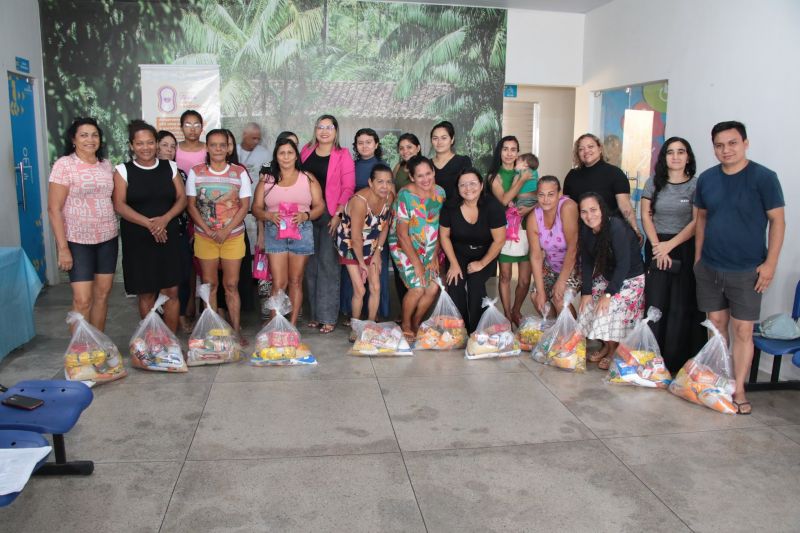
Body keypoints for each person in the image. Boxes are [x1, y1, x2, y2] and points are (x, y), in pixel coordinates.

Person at [694, 121, 785, 415]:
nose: (726, 150)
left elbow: (778, 222)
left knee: (743, 330)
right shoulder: (707, 179)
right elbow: (702, 220)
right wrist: (698, 259)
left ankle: (740, 389)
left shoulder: (764, 178)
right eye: (719, 145)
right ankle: (719, 381)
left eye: (732, 143)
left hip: (747, 270)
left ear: (745, 143)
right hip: (710, 266)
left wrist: (770, 264)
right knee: (717, 326)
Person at [112, 120, 186, 332]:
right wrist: (149, 224)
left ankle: (170, 343)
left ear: (156, 143)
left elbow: (181, 199)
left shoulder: (169, 167)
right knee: (146, 293)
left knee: (171, 291)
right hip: (138, 239)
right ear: (131, 145)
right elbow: (119, 204)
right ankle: (152, 343)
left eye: (150, 142)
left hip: (168, 235)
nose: (146, 147)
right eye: (140, 143)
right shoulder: (122, 171)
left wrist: (164, 219)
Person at [640, 137, 706, 373]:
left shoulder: (697, 185)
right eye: (670, 152)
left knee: (681, 303)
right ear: (664, 157)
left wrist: (670, 246)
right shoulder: (653, 183)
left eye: (681, 152)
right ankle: (652, 362)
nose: (675, 156)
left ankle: (678, 363)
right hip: (656, 246)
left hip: (684, 247)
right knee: (655, 302)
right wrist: (658, 246)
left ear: (688, 156)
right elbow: (646, 215)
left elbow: (696, 221)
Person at [47, 117, 117, 331]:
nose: (90, 139)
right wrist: (63, 248)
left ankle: (97, 349)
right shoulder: (64, 165)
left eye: (95, 135)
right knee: (82, 300)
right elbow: (54, 209)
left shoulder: (106, 165)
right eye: (84, 135)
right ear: (73, 139)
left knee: (102, 296)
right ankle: (78, 353)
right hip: (77, 241)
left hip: (108, 238)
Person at [186, 129, 252, 343]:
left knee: (231, 285)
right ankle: (214, 333)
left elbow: (244, 206)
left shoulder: (238, 172)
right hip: (205, 237)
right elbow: (191, 206)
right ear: (207, 147)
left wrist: (225, 230)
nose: (217, 149)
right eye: (213, 145)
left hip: (232, 236)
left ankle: (235, 329)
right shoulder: (196, 172)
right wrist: (208, 230)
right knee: (209, 285)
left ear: (228, 147)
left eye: (222, 145)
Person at [252, 138, 325, 325]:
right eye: (281, 153)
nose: (286, 157)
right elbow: (256, 208)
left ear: (296, 156)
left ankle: (292, 325)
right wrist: (269, 216)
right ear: (276, 156)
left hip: (301, 231)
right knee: (278, 282)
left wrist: (305, 216)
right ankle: (275, 323)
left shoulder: (308, 178)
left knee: (295, 280)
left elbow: (320, 207)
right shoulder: (267, 180)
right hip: (274, 232)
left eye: (290, 153)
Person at [300, 114, 356, 334]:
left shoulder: (342, 155)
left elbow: (348, 187)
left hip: (330, 215)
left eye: (329, 127)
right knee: (309, 267)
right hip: (306, 213)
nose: (324, 131)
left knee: (328, 265)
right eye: (320, 127)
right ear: (315, 130)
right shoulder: (305, 151)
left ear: (336, 131)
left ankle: (328, 316)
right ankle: (314, 314)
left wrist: (338, 213)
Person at [577, 193, 645, 370]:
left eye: (593, 210)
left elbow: (623, 264)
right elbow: (587, 262)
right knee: (588, 304)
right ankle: (607, 347)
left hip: (630, 278)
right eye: (584, 212)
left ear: (602, 209)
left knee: (607, 307)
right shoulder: (586, 229)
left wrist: (608, 294)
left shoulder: (616, 227)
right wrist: (586, 292)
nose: (589, 216)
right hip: (608, 276)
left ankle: (613, 351)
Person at [440, 168, 506, 333]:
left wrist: (482, 263)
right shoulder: (450, 207)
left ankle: (477, 331)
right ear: (458, 188)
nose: (468, 188)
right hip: (458, 253)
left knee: (476, 284)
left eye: (472, 183)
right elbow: (445, 236)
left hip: (485, 253)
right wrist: (454, 264)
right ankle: (460, 329)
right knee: (455, 282)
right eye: (463, 185)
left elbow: (499, 240)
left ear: (482, 185)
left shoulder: (493, 206)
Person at [390, 155, 445, 340]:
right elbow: (401, 234)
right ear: (412, 178)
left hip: (428, 244)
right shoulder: (405, 196)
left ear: (434, 172)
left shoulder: (440, 193)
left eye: (428, 173)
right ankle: (405, 323)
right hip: (403, 246)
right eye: (420, 176)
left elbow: (438, 227)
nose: (425, 179)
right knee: (417, 288)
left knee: (432, 288)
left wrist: (434, 255)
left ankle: (416, 321)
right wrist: (417, 264)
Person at [336, 164, 394, 338]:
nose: (385, 186)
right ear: (370, 182)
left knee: (376, 286)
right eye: (380, 182)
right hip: (350, 246)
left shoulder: (389, 197)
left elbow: (385, 225)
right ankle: (355, 327)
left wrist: (378, 253)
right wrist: (362, 264)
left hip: (372, 244)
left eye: (388, 182)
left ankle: (369, 325)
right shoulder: (359, 202)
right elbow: (355, 238)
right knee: (360, 289)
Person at [341, 128, 391, 323]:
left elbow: (386, 217)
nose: (364, 146)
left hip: (374, 231)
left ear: (376, 144)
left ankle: (374, 317)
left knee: (376, 279)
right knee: (356, 283)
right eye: (360, 142)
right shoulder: (351, 166)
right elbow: (346, 192)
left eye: (368, 142)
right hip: (354, 228)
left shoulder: (383, 169)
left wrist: (378, 249)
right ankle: (353, 316)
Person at [488, 136, 536, 326]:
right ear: (499, 152)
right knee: (506, 276)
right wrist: (521, 179)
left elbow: (539, 196)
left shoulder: (529, 171)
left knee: (525, 280)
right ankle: (507, 315)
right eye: (505, 149)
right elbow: (504, 198)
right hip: (505, 231)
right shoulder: (494, 176)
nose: (509, 153)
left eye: (513, 149)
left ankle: (516, 310)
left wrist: (530, 208)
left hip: (527, 229)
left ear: (518, 152)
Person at [563, 133, 641, 240]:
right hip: (580, 235)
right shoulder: (572, 175)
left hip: (610, 234)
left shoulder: (615, 173)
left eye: (591, 147)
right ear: (578, 153)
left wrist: (635, 230)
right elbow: (566, 206)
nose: (586, 151)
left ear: (600, 149)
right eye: (581, 149)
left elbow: (625, 207)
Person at [156, 130, 196, 333]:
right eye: (165, 145)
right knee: (155, 280)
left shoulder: (180, 173)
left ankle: (179, 317)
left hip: (178, 232)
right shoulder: (146, 172)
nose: (169, 150)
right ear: (155, 146)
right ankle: (156, 321)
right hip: (151, 233)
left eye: (173, 147)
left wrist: (191, 231)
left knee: (181, 277)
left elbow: (187, 204)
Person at [527, 176, 580, 315]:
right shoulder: (534, 217)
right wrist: (540, 292)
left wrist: (561, 282)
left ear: (559, 194)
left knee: (559, 299)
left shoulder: (567, 207)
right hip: (551, 265)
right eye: (541, 195)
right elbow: (536, 256)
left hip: (575, 265)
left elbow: (573, 248)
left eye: (551, 194)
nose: (546, 200)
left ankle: (571, 334)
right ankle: (554, 330)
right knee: (536, 297)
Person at [390, 132, 422, 314]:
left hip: (419, 225)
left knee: (418, 269)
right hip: (400, 223)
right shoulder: (398, 168)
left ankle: (418, 314)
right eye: (401, 148)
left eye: (409, 147)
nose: (405, 151)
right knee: (402, 270)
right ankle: (405, 315)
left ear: (417, 148)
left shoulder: (424, 167)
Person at [430, 121, 472, 207]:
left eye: (444, 138)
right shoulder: (426, 165)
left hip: (456, 212)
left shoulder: (463, 161)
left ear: (452, 139)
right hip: (431, 214)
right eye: (435, 138)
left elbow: (468, 189)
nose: (439, 142)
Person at [176, 109, 206, 175]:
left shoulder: (208, 148)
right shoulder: (174, 148)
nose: (192, 129)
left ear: (202, 128)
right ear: (181, 128)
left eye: (196, 125)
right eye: (188, 125)